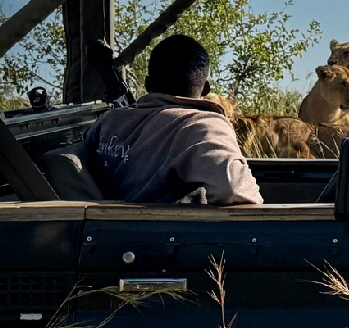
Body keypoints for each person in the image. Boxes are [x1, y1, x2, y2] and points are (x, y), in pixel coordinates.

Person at [85, 35, 262, 204]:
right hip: (168, 233)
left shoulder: (109, 121)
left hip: (102, 230)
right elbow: (234, 189)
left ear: (148, 84)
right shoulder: (204, 127)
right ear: (205, 89)